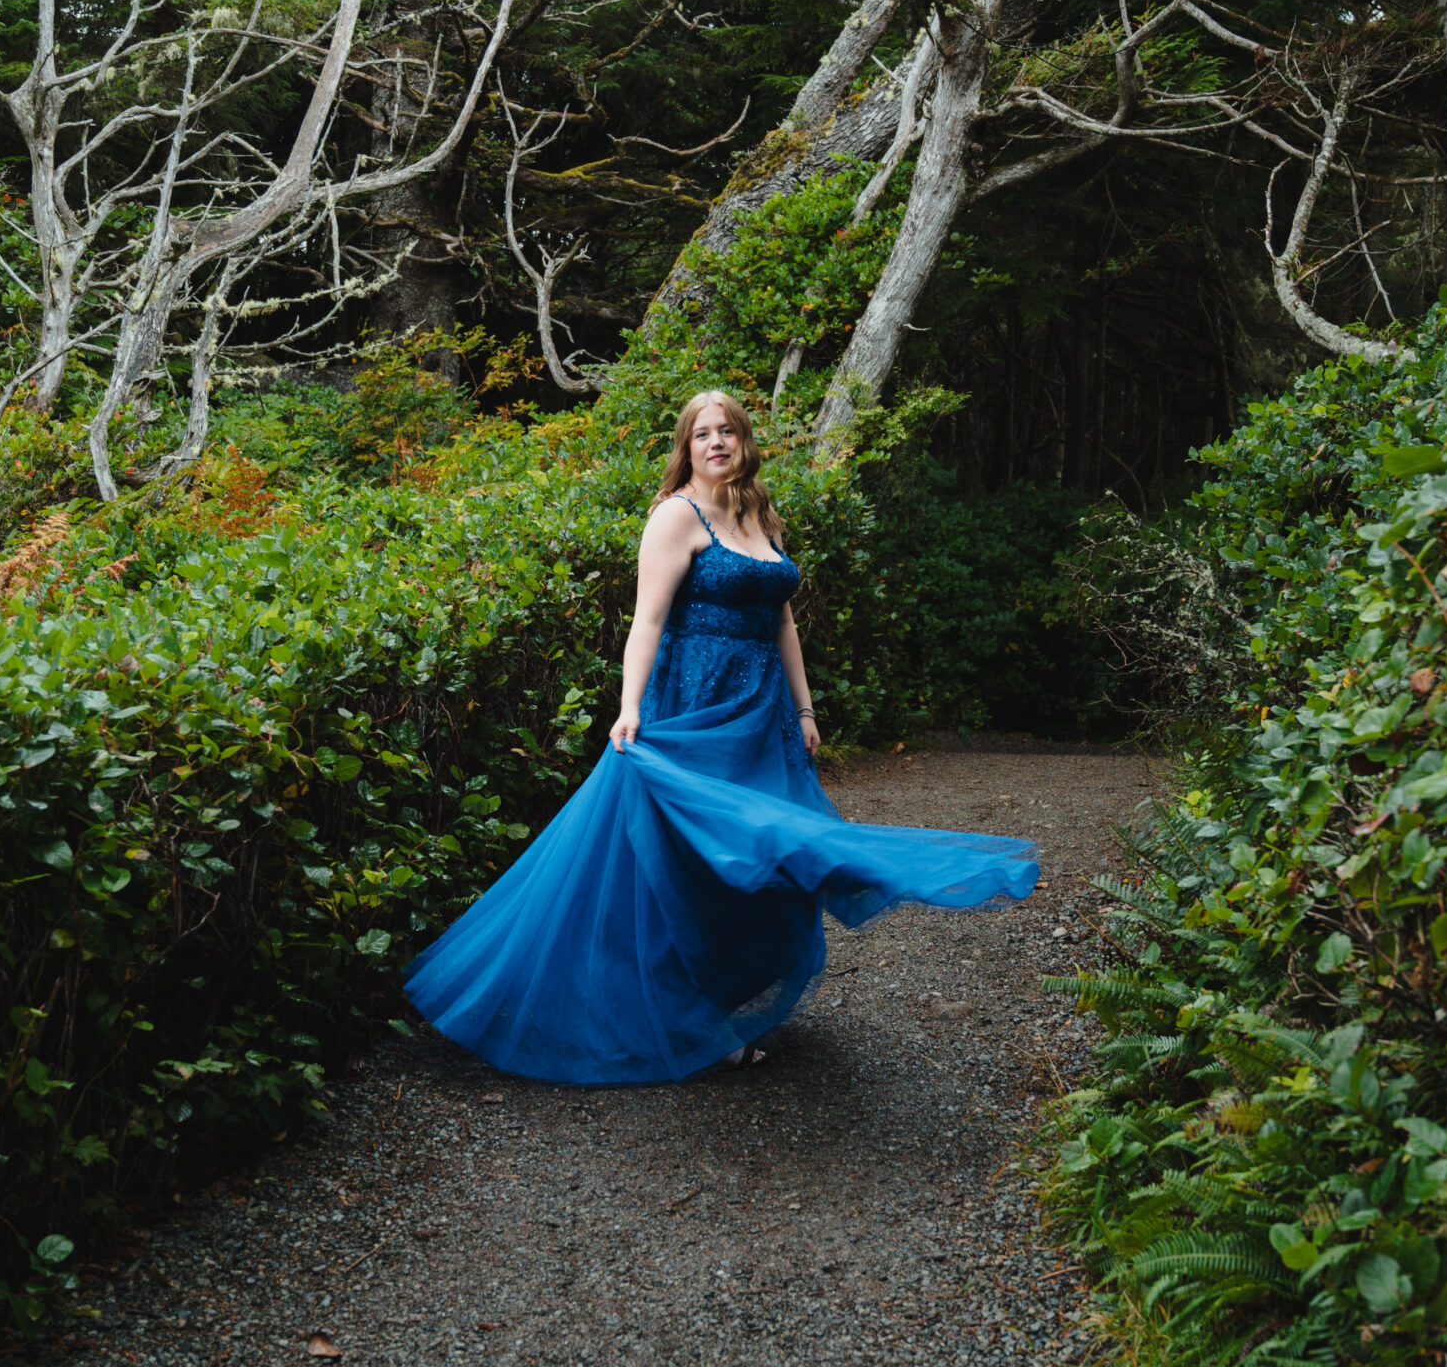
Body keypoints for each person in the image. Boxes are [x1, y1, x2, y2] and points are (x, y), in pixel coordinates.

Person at [402, 390, 1038, 1084]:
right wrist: (628, 707)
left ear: (743, 441)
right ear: (686, 447)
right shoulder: (676, 516)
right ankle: (678, 1018)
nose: (715, 443)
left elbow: (783, 622)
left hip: (759, 715)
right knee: (689, 862)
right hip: (692, 708)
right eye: (702, 434)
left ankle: (722, 1006)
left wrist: (803, 711)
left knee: (765, 852)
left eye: (726, 431)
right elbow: (646, 622)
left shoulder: (759, 512)